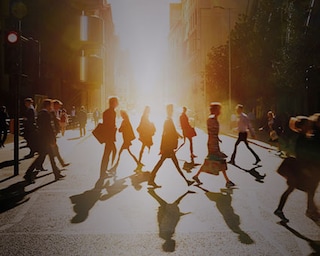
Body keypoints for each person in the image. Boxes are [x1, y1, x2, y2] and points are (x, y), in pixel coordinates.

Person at [274, 115, 320, 222]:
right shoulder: (301, 138)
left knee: (301, 188)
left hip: (299, 168)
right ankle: (310, 210)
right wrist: (305, 169)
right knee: (293, 188)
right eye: (308, 125)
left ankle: (280, 209)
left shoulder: (304, 137)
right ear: (303, 127)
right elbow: (300, 154)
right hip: (298, 169)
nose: (310, 126)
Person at [148, 104, 194, 188]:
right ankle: (186, 181)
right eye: (171, 110)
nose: (172, 111)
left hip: (168, 147)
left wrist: (178, 135)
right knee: (173, 164)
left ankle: (151, 179)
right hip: (168, 147)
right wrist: (162, 148)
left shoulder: (169, 120)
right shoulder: (167, 120)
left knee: (162, 163)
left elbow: (172, 131)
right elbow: (164, 135)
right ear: (169, 111)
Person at [192, 102, 235, 188]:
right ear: (215, 110)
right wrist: (215, 140)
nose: (220, 111)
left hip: (214, 142)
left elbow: (213, 132)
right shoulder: (212, 119)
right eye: (219, 109)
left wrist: (217, 138)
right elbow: (211, 132)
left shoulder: (213, 118)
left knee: (212, 160)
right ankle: (227, 181)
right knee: (219, 160)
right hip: (212, 143)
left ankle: (196, 176)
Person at [23, 99, 65, 183]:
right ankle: (28, 174)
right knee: (42, 156)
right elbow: (48, 129)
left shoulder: (42, 113)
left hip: (44, 139)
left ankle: (56, 173)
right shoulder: (45, 114)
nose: (52, 107)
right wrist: (52, 140)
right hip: (46, 140)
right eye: (51, 106)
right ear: (48, 106)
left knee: (51, 157)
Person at [100, 96, 119, 178]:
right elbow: (109, 125)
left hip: (108, 136)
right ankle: (106, 171)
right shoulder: (111, 112)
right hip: (109, 136)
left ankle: (105, 171)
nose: (117, 103)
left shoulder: (107, 112)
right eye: (116, 102)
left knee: (108, 153)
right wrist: (114, 128)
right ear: (113, 103)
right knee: (108, 153)